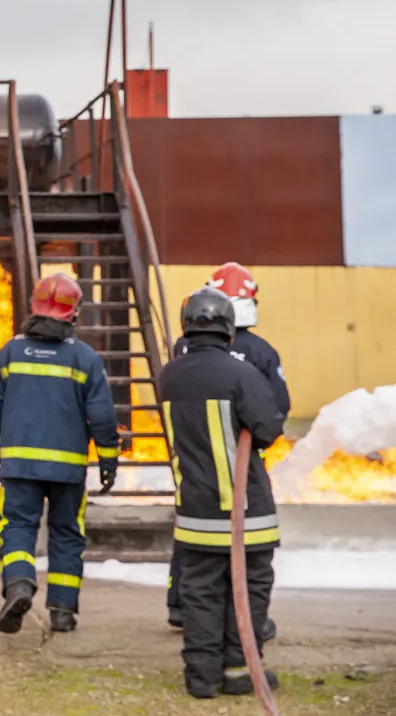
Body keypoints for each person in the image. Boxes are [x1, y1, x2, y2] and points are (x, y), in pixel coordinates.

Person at [157, 289, 285, 698]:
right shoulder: (242, 374)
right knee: (246, 591)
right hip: (245, 511)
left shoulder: (168, 375)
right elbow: (268, 428)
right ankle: (238, 672)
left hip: (194, 510)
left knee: (199, 594)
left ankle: (201, 677)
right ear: (229, 330)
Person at [0, 274, 120, 635]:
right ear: (74, 313)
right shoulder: (85, 359)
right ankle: (62, 611)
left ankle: (20, 584)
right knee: (67, 534)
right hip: (68, 470)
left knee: (17, 526)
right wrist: (107, 460)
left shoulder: (11, 351)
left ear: (34, 307)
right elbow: (102, 416)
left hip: (20, 467)